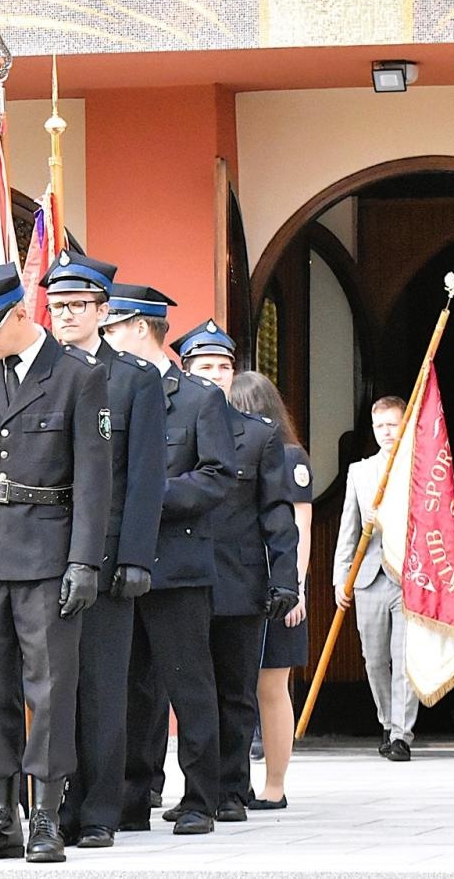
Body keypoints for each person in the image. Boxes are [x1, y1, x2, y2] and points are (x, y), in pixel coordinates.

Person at [0, 264, 111, 864]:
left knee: (51, 688)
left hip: (47, 552)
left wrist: (84, 561)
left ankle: (45, 816)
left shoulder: (75, 377)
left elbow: (94, 476)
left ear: (19, 315)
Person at [40, 255, 163, 850]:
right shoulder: (35, 371)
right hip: (43, 554)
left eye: (78, 305)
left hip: (110, 556)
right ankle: (50, 808)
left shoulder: (135, 379)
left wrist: (137, 554)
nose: (66, 315)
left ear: (103, 310)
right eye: (57, 305)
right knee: (49, 686)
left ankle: (98, 811)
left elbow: (144, 476)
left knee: (102, 688)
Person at [101, 286, 229, 837]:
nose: (105, 336)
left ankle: (202, 796)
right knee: (129, 689)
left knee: (189, 687)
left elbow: (218, 476)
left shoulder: (200, 398)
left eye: (113, 326)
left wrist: (151, 497)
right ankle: (132, 796)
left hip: (176, 564)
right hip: (121, 564)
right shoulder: (112, 388)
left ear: (140, 327)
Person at [172, 319, 299, 822]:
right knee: (189, 690)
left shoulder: (259, 435)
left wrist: (285, 578)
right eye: (205, 367)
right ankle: (197, 789)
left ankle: (230, 789)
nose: (217, 376)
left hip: (239, 578)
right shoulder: (170, 423)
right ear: (186, 371)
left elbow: (277, 513)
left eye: (224, 367)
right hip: (182, 575)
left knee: (236, 690)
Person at [226, 372, 311, 809]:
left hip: (280, 590)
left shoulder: (289, 456)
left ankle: (274, 785)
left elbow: (300, 526)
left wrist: (293, 588)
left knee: (272, 689)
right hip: (245, 584)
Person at [333, 395, 419, 761]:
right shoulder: (360, 472)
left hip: (408, 577)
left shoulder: (421, 469)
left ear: (405, 425)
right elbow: (347, 531)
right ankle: (386, 720)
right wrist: (341, 578)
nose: (387, 432)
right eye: (380, 426)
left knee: (404, 658)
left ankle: (402, 734)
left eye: (393, 424)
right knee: (373, 658)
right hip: (368, 576)